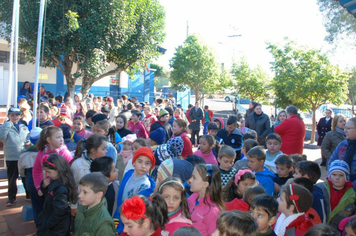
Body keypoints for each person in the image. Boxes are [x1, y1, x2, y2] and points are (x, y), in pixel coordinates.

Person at [32, 126, 73, 221]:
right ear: (48, 140)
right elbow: (36, 170)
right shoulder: (42, 153)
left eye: (62, 137)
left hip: (61, 190)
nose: (61, 139)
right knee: (47, 211)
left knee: (59, 214)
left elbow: (71, 173)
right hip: (47, 189)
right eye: (57, 137)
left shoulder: (64, 153)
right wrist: (39, 187)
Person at [113, 147, 156, 234]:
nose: (143, 166)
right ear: (134, 162)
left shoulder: (145, 185)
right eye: (140, 161)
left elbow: (136, 209)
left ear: (151, 166)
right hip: (120, 214)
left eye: (147, 163)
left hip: (131, 221)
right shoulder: (128, 174)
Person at [36, 154, 77, 236]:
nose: (47, 174)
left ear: (58, 170)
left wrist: (46, 224)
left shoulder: (61, 187)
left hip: (57, 225)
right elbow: (46, 193)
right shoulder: (55, 180)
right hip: (52, 220)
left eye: (49, 172)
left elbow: (59, 211)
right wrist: (44, 186)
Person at [0, 107, 30, 206]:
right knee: (12, 178)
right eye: (12, 115)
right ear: (8, 116)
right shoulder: (6, 126)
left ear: (20, 116)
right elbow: (1, 136)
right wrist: (8, 124)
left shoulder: (23, 127)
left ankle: (28, 194)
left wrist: (28, 142)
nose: (14, 117)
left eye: (17, 115)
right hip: (11, 157)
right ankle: (11, 198)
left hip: (23, 156)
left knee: (26, 177)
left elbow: (28, 137)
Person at [316, 160, 355, 230]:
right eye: (334, 175)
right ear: (330, 175)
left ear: (347, 177)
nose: (337, 178)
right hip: (319, 227)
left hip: (339, 230)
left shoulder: (352, 195)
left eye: (341, 175)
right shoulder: (320, 189)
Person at [188, 164, 224, 236]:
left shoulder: (212, 211)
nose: (190, 180)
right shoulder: (191, 199)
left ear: (205, 184)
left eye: (194, 178)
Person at [329, 117, 356, 186]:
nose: (345, 131)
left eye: (348, 128)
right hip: (339, 186)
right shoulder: (343, 144)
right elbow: (331, 162)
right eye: (345, 128)